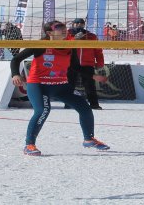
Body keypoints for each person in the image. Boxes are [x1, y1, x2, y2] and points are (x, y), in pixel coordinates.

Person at [9, 20, 109, 156]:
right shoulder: (41, 45)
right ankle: (29, 145)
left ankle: (89, 139)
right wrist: (15, 74)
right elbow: (15, 60)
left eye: (64, 27)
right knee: (42, 110)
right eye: (58, 27)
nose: (63, 29)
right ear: (49, 32)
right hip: (39, 85)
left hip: (61, 86)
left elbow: (76, 66)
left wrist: (93, 75)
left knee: (84, 108)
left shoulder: (68, 46)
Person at [67, 18, 106, 110]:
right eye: (77, 23)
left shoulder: (91, 36)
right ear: (73, 24)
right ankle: (68, 103)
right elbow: (61, 47)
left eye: (81, 23)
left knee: (89, 85)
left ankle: (94, 104)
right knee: (70, 84)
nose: (79, 24)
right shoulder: (67, 35)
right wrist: (74, 39)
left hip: (87, 64)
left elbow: (98, 50)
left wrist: (100, 62)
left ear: (84, 25)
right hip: (71, 63)